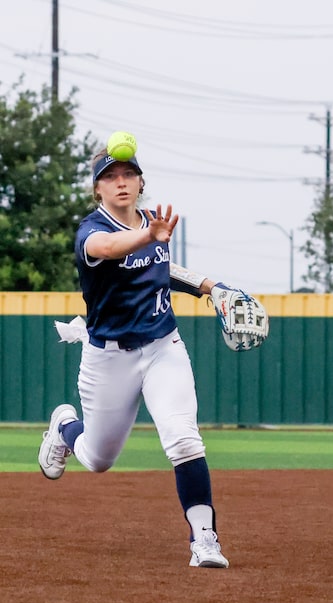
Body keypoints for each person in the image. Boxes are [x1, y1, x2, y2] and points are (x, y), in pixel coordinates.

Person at [38, 145, 243, 568]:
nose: (121, 182)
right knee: (97, 459)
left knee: (184, 438)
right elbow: (113, 247)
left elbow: (164, 268)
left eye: (128, 174)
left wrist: (213, 287)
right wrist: (149, 236)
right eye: (110, 176)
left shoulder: (154, 226)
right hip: (108, 359)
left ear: (141, 182)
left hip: (163, 348)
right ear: (97, 188)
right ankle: (64, 426)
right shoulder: (91, 232)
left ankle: (204, 538)